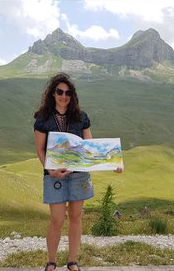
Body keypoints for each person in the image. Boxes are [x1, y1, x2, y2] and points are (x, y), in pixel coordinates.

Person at [33, 73, 121, 271]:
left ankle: (72, 261)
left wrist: (111, 162)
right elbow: (40, 150)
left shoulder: (81, 118)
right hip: (53, 176)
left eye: (68, 93)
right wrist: (50, 170)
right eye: (60, 92)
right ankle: (51, 261)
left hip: (79, 174)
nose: (64, 96)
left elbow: (90, 148)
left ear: (72, 96)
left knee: (76, 216)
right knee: (57, 219)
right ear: (53, 94)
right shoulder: (43, 119)